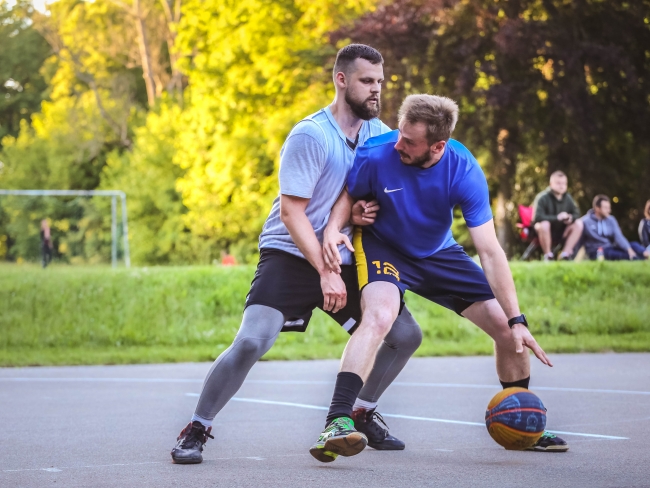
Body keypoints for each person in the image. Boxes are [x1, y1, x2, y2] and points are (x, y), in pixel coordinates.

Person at [170, 44, 423, 464]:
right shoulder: (311, 134)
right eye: (367, 81)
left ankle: (360, 411)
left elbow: (384, 196)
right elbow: (292, 213)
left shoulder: (380, 136)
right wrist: (324, 271)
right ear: (341, 80)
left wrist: (361, 215)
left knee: (404, 336)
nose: (376, 90)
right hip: (291, 253)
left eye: (380, 81)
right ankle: (198, 426)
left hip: (344, 256)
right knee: (252, 341)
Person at [311, 94, 568, 463]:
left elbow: (491, 251)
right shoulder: (376, 151)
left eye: (409, 141)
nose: (398, 143)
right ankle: (337, 420)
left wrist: (517, 320)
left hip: (438, 253)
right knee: (380, 316)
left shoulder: (463, 169)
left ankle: (525, 423)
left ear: (438, 146)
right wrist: (336, 227)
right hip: (385, 247)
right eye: (399, 133)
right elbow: (350, 195)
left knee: (505, 330)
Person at [531, 171, 583, 261]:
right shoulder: (542, 197)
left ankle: (565, 255)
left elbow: (577, 213)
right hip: (543, 230)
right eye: (558, 183)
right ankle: (548, 256)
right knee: (544, 224)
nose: (561, 186)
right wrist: (557, 218)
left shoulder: (568, 198)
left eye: (564, 183)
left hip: (561, 231)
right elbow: (537, 217)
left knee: (579, 223)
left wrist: (571, 218)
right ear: (551, 184)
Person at [582, 195, 649, 261]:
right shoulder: (585, 221)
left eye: (609, 208)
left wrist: (629, 249)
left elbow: (618, 237)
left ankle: (646, 255)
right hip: (598, 251)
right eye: (606, 208)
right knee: (623, 255)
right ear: (597, 208)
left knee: (634, 245)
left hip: (611, 247)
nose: (609, 210)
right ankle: (637, 258)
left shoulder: (611, 219)